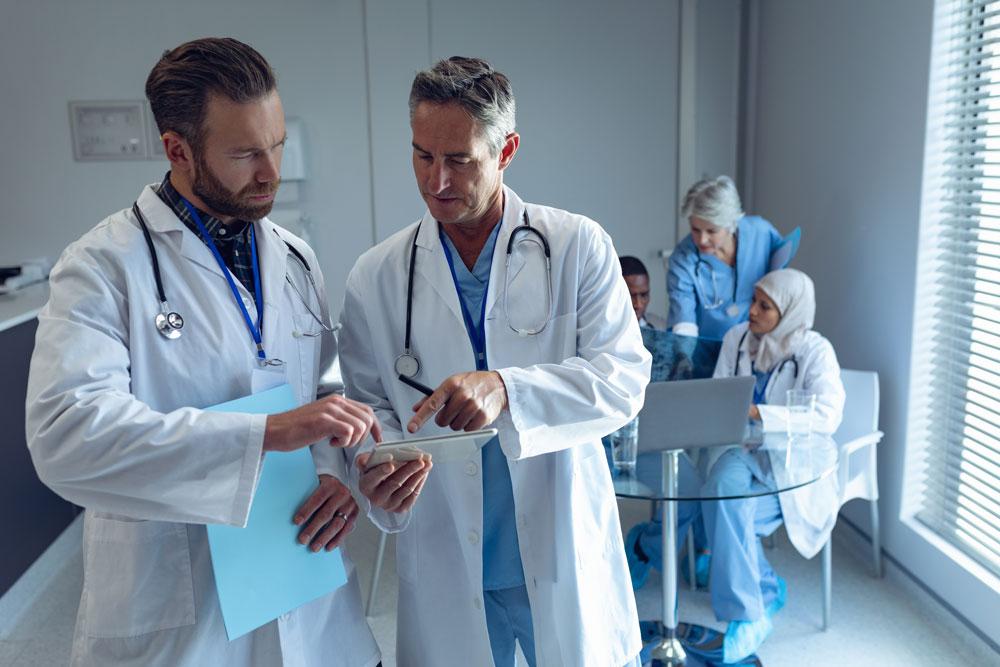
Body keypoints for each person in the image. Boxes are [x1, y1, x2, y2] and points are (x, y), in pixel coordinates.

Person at [25, 38, 425, 667]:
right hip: (183, 617)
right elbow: (65, 439)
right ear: (177, 150)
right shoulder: (103, 266)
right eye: (244, 154)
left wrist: (344, 472)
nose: (271, 172)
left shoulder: (295, 259)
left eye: (278, 145)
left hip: (308, 593)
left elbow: (325, 393)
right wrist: (261, 435)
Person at [338, 57, 651, 667]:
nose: (437, 181)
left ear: (506, 150)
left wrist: (508, 388)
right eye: (423, 156)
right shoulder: (376, 275)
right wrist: (372, 469)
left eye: (460, 159)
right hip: (447, 545)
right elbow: (367, 404)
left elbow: (624, 378)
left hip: (557, 544)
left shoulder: (577, 245)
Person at [699, 268, 845, 663]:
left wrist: (761, 413)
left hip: (790, 464)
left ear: (791, 311)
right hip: (740, 449)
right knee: (715, 493)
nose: (753, 311)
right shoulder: (737, 339)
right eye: (754, 301)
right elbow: (717, 392)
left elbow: (828, 417)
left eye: (765, 306)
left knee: (732, 511)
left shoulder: (815, 351)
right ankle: (758, 594)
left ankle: (751, 607)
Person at [667, 175, 785, 341]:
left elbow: (781, 282)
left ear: (731, 224)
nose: (702, 239)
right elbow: (683, 315)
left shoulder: (760, 233)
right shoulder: (683, 259)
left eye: (711, 231)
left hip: (759, 341)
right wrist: (685, 350)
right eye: (695, 229)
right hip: (708, 348)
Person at [619, 255, 666, 330]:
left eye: (644, 295)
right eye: (631, 296)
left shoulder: (660, 327)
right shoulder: (598, 332)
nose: (638, 305)